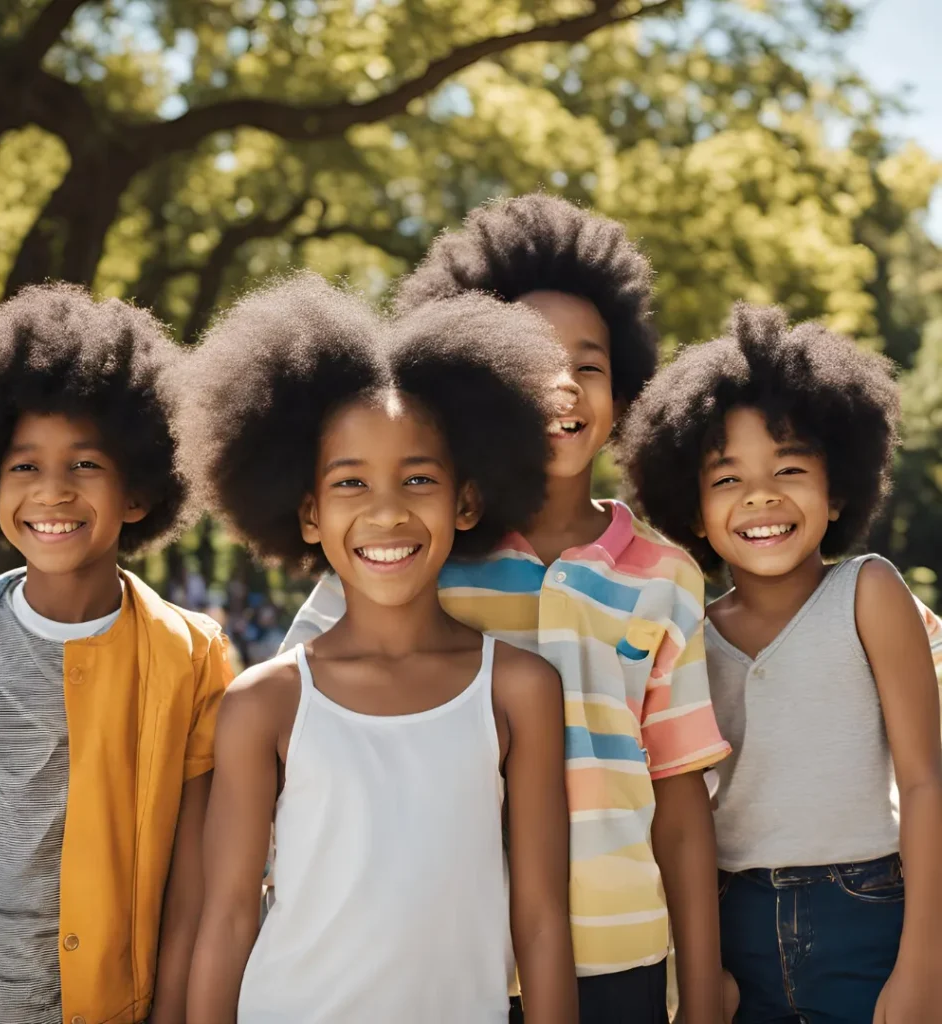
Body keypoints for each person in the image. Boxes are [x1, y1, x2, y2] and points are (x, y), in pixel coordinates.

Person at [282, 194, 731, 1024]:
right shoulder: (420, 548)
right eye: (526, 363)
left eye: (588, 365)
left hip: (617, 955)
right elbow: (303, 702)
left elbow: (679, 799)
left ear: (624, 394)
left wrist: (701, 996)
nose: (561, 384)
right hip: (443, 957)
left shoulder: (666, 575)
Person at [183, 273, 577, 1023]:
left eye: (418, 478)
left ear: (466, 500)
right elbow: (228, 918)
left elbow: (541, 919)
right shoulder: (264, 703)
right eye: (351, 483)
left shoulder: (519, 690)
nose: (387, 511)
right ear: (308, 513)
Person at [618, 302, 942, 1023]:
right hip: (737, 929)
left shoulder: (869, 592)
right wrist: (703, 972)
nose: (761, 495)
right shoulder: (688, 634)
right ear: (695, 511)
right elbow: (684, 809)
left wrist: (925, 961)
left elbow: (925, 782)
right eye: (726, 478)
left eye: (789, 468)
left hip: (870, 916)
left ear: (838, 493)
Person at [0, 285, 233, 1024]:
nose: (52, 491)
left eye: (85, 464)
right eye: (24, 466)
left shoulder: (192, 659)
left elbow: (195, 888)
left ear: (139, 491)